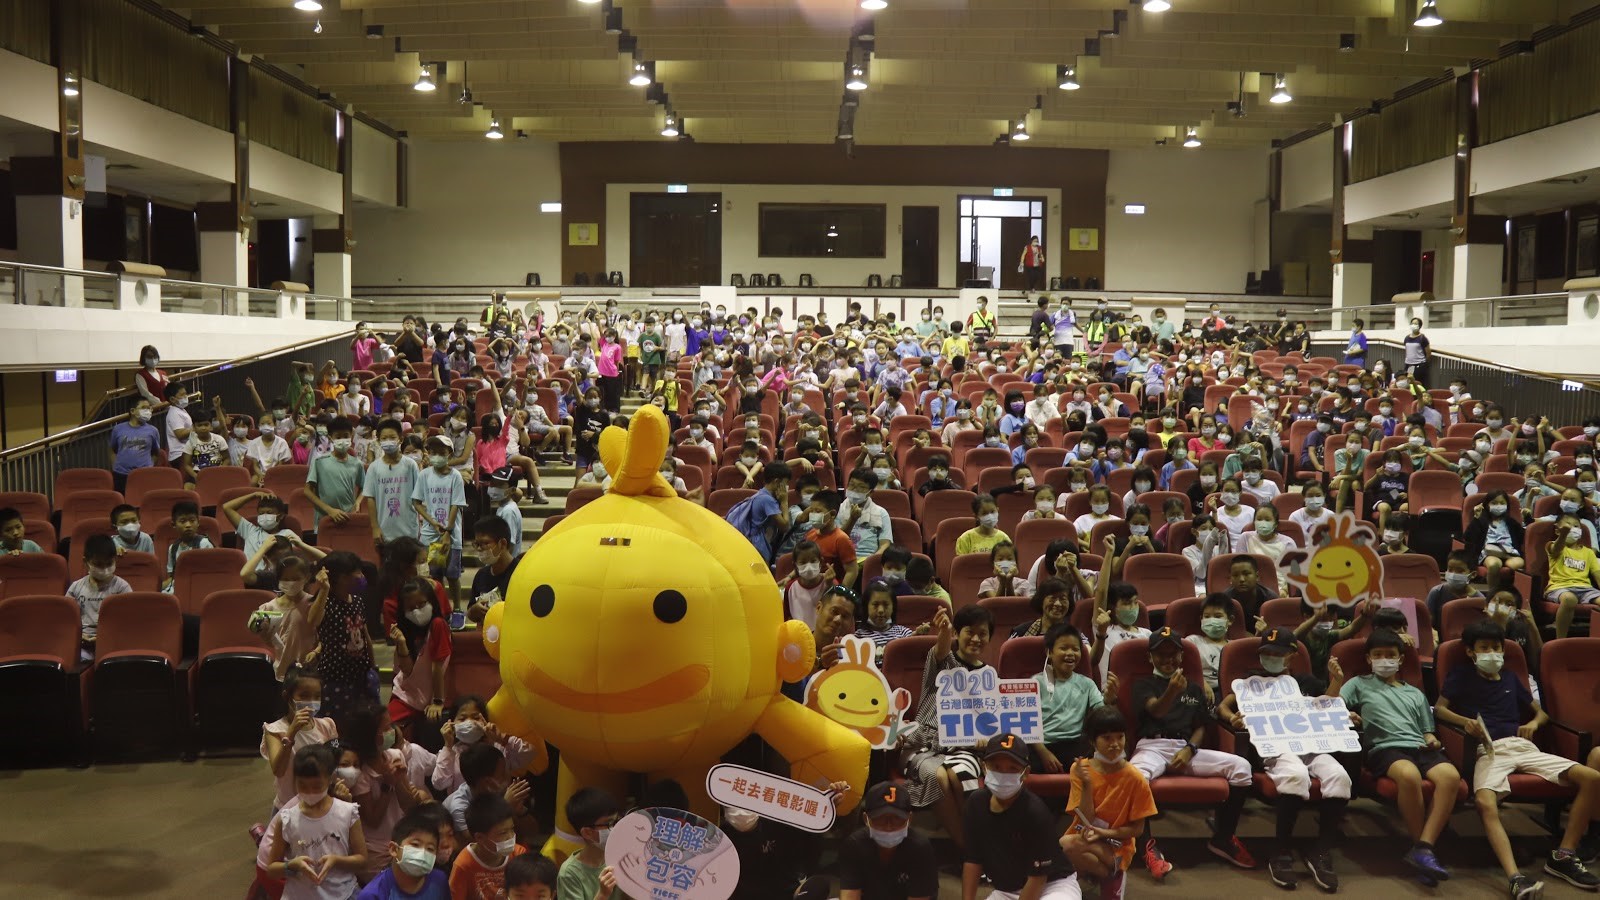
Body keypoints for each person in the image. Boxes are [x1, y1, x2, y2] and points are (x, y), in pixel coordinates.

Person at [1436, 620, 1600, 895]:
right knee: (1485, 802)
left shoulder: (1511, 677)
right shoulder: (1461, 675)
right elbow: (1439, 710)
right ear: (1470, 652)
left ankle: (1563, 855)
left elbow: (1542, 713)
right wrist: (1465, 722)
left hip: (1523, 746)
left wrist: (1534, 724)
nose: (1493, 653)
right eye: (1485, 648)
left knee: (1592, 777)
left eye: (1497, 648)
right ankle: (1515, 877)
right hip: (1489, 749)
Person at [1217, 627, 1350, 892]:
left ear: (1290, 656)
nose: (1272, 657)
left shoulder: (1306, 681)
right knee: (1296, 776)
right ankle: (1280, 850)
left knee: (1340, 777)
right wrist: (1232, 717)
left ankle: (1321, 852)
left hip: (1310, 745)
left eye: (1278, 653)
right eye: (1267, 653)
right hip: (1277, 748)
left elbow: (1326, 705)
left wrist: (1336, 682)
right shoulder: (1252, 681)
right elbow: (1224, 705)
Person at [1129, 627, 1256, 875]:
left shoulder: (1195, 688)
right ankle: (1147, 845)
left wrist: (1190, 748)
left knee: (1242, 767)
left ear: (1181, 656)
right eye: (1161, 654)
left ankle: (1223, 837)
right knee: (1134, 778)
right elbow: (1155, 710)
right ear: (1150, 658)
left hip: (1186, 748)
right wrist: (1172, 691)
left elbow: (1201, 727)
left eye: (1173, 654)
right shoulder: (1142, 684)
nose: (1167, 659)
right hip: (1151, 746)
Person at [1339, 629, 1458, 885]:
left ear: (1401, 659)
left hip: (1419, 747)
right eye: (1378, 655)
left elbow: (1427, 731)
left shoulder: (1414, 693)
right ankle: (1421, 846)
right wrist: (1347, 714)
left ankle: (1423, 848)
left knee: (1450, 777)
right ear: (1369, 659)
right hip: (1385, 748)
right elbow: (1334, 705)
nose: (1385, 659)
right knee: (1409, 775)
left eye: (1390, 655)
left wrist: (1432, 740)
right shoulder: (1358, 683)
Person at [900, 606, 994, 849]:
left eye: (982, 633)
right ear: (958, 634)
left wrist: (985, 738)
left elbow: (990, 718)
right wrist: (944, 631)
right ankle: (970, 849)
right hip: (925, 743)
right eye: (968, 632)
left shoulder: (989, 675)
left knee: (960, 774)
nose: (975, 638)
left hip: (966, 746)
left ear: (990, 638)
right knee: (939, 775)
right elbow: (941, 650)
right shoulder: (942, 662)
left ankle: (978, 845)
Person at [960, 733, 1080, 900]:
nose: (1003, 773)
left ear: (1025, 773)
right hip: (1007, 889)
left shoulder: (1035, 812)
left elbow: (1038, 878)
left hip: (1052, 885)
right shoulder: (975, 804)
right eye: (996, 766)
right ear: (984, 766)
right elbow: (972, 860)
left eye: (1012, 768)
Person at [1060, 707, 1158, 900]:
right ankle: (1105, 874)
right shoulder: (1080, 770)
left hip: (1116, 843)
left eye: (1119, 737)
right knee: (1067, 846)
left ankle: (1115, 873)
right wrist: (1087, 784)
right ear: (1092, 741)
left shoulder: (1136, 778)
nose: (1115, 744)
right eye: (1106, 738)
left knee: (1071, 846)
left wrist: (1103, 833)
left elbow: (1137, 830)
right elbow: (1085, 819)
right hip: (1085, 836)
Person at [264, 744, 368, 900]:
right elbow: (271, 869)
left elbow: (362, 860)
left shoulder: (347, 812)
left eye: (317, 786)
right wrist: (291, 865)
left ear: (330, 778)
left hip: (343, 894)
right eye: (303, 786)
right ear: (295, 781)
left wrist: (336, 860)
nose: (310, 792)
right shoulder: (287, 819)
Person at [1033, 622, 1116, 772]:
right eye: (1063, 648)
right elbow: (1027, 725)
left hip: (1076, 744)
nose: (1070, 653)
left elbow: (1101, 715)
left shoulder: (1087, 684)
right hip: (1042, 746)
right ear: (1049, 652)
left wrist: (1109, 700)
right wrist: (1043, 752)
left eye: (1075, 649)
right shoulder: (1035, 683)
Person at [837, 780, 939, 900]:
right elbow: (850, 896)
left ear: (909, 819)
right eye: (880, 819)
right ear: (866, 819)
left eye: (897, 819)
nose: (889, 827)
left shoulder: (920, 848)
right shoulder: (854, 845)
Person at [308, 551, 377, 724]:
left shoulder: (358, 601)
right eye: (357, 573)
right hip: (335, 677)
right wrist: (324, 588)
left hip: (361, 673)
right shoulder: (326, 602)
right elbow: (313, 620)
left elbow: (365, 635)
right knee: (338, 725)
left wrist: (372, 666)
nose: (361, 577)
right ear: (341, 578)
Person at [389, 578, 451, 741]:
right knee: (383, 730)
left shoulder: (438, 625)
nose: (417, 611)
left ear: (431, 601)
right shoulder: (406, 629)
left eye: (421, 604)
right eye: (410, 608)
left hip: (425, 696)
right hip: (405, 693)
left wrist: (438, 701)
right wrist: (401, 644)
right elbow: (407, 671)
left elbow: (438, 667)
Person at [413, 437, 467, 609]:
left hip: (451, 536)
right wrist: (432, 522)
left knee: (452, 575)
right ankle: (443, 607)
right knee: (435, 576)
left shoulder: (455, 476)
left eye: (441, 453)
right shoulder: (424, 475)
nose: (437, 456)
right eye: (433, 452)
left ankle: (458, 608)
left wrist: (447, 533)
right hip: (430, 535)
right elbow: (416, 502)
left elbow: (455, 505)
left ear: (449, 454)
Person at [356, 809, 451, 900]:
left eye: (430, 849)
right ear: (394, 849)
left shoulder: (439, 881)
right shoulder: (372, 895)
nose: (422, 853)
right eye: (415, 844)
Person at [451, 794, 531, 900]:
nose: (510, 837)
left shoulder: (519, 854)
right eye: (503, 833)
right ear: (480, 837)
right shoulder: (463, 865)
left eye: (512, 829)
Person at [359, 419, 422, 549]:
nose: (388, 441)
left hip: (409, 529)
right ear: (378, 441)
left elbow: (418, 497)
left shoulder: (410, 465)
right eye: (384, 438)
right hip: (385, 531)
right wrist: (375, 528)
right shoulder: (374, 468)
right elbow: (371, 499)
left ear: (400, 439)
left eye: (392, 437)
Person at [68, 534, 130, 661]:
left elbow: (127, 622)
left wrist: (104, 637)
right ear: (86, 562)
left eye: (109, 563)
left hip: (113, 644)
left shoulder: (122, 588)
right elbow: (67, 619)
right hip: (83, 644)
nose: (105, 569)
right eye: (98, 564)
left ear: (115, 560)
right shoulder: (75, 588)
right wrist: (79, 637)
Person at [555, 788, 621, 900]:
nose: (616, 827)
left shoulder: (621, 857)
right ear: (587, 832)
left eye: (617, 820)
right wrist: (602, 895)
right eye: (609, 823)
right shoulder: (569, 873)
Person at [305, 417, 365, 534]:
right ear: (330, 438)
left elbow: (364, 487)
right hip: (325, 518)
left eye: (345, 435)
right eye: (338, 437)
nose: (342, 439)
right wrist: (329, 510)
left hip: (348, 517)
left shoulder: (357, 464)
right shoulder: (320, 462)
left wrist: (357, 502)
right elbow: (307, 491)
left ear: (351, 436)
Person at [1546, 513, 1600, 639]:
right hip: (1559, 587)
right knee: (1570, 599)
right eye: (1568, 525)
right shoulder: (1553, 545)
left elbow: (1597, 575)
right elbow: (1556, 549)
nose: (1572, 528)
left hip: (1586, 589)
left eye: (1576, 526)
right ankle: (1560, 641)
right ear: (1557, 530)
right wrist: (1563, 535)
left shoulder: (1588, 552)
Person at [108, 399, 161, 494]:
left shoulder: (153, 431)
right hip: (121, 475)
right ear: (132, 411)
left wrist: (149, 466)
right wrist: (115, 466)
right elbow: (112, 450)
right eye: (144, 408)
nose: (148, 411)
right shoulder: (118, 429)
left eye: (149, 408)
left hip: (144, 475)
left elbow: (156, 453)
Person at [162, 499, 213, 592]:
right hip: (177, 587)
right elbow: (172, 577)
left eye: (192, 520)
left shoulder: (204, 544)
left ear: (198, 522)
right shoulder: (172, 548)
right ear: (174, 524)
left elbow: (209, 574)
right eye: (183, 521)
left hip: (199, 587)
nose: (188, 525)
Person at [1403, 317, 1432, 385]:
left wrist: (1424, 364)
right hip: (1409, 364)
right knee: (1409, 382)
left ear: (1419, 326)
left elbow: (1428, 353)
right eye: (1412, 323)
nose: (1413, 325)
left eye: (1416, 323)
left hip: (1419, 364)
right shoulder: (1407, 338)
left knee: (1418, 383)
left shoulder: (1422, 338)